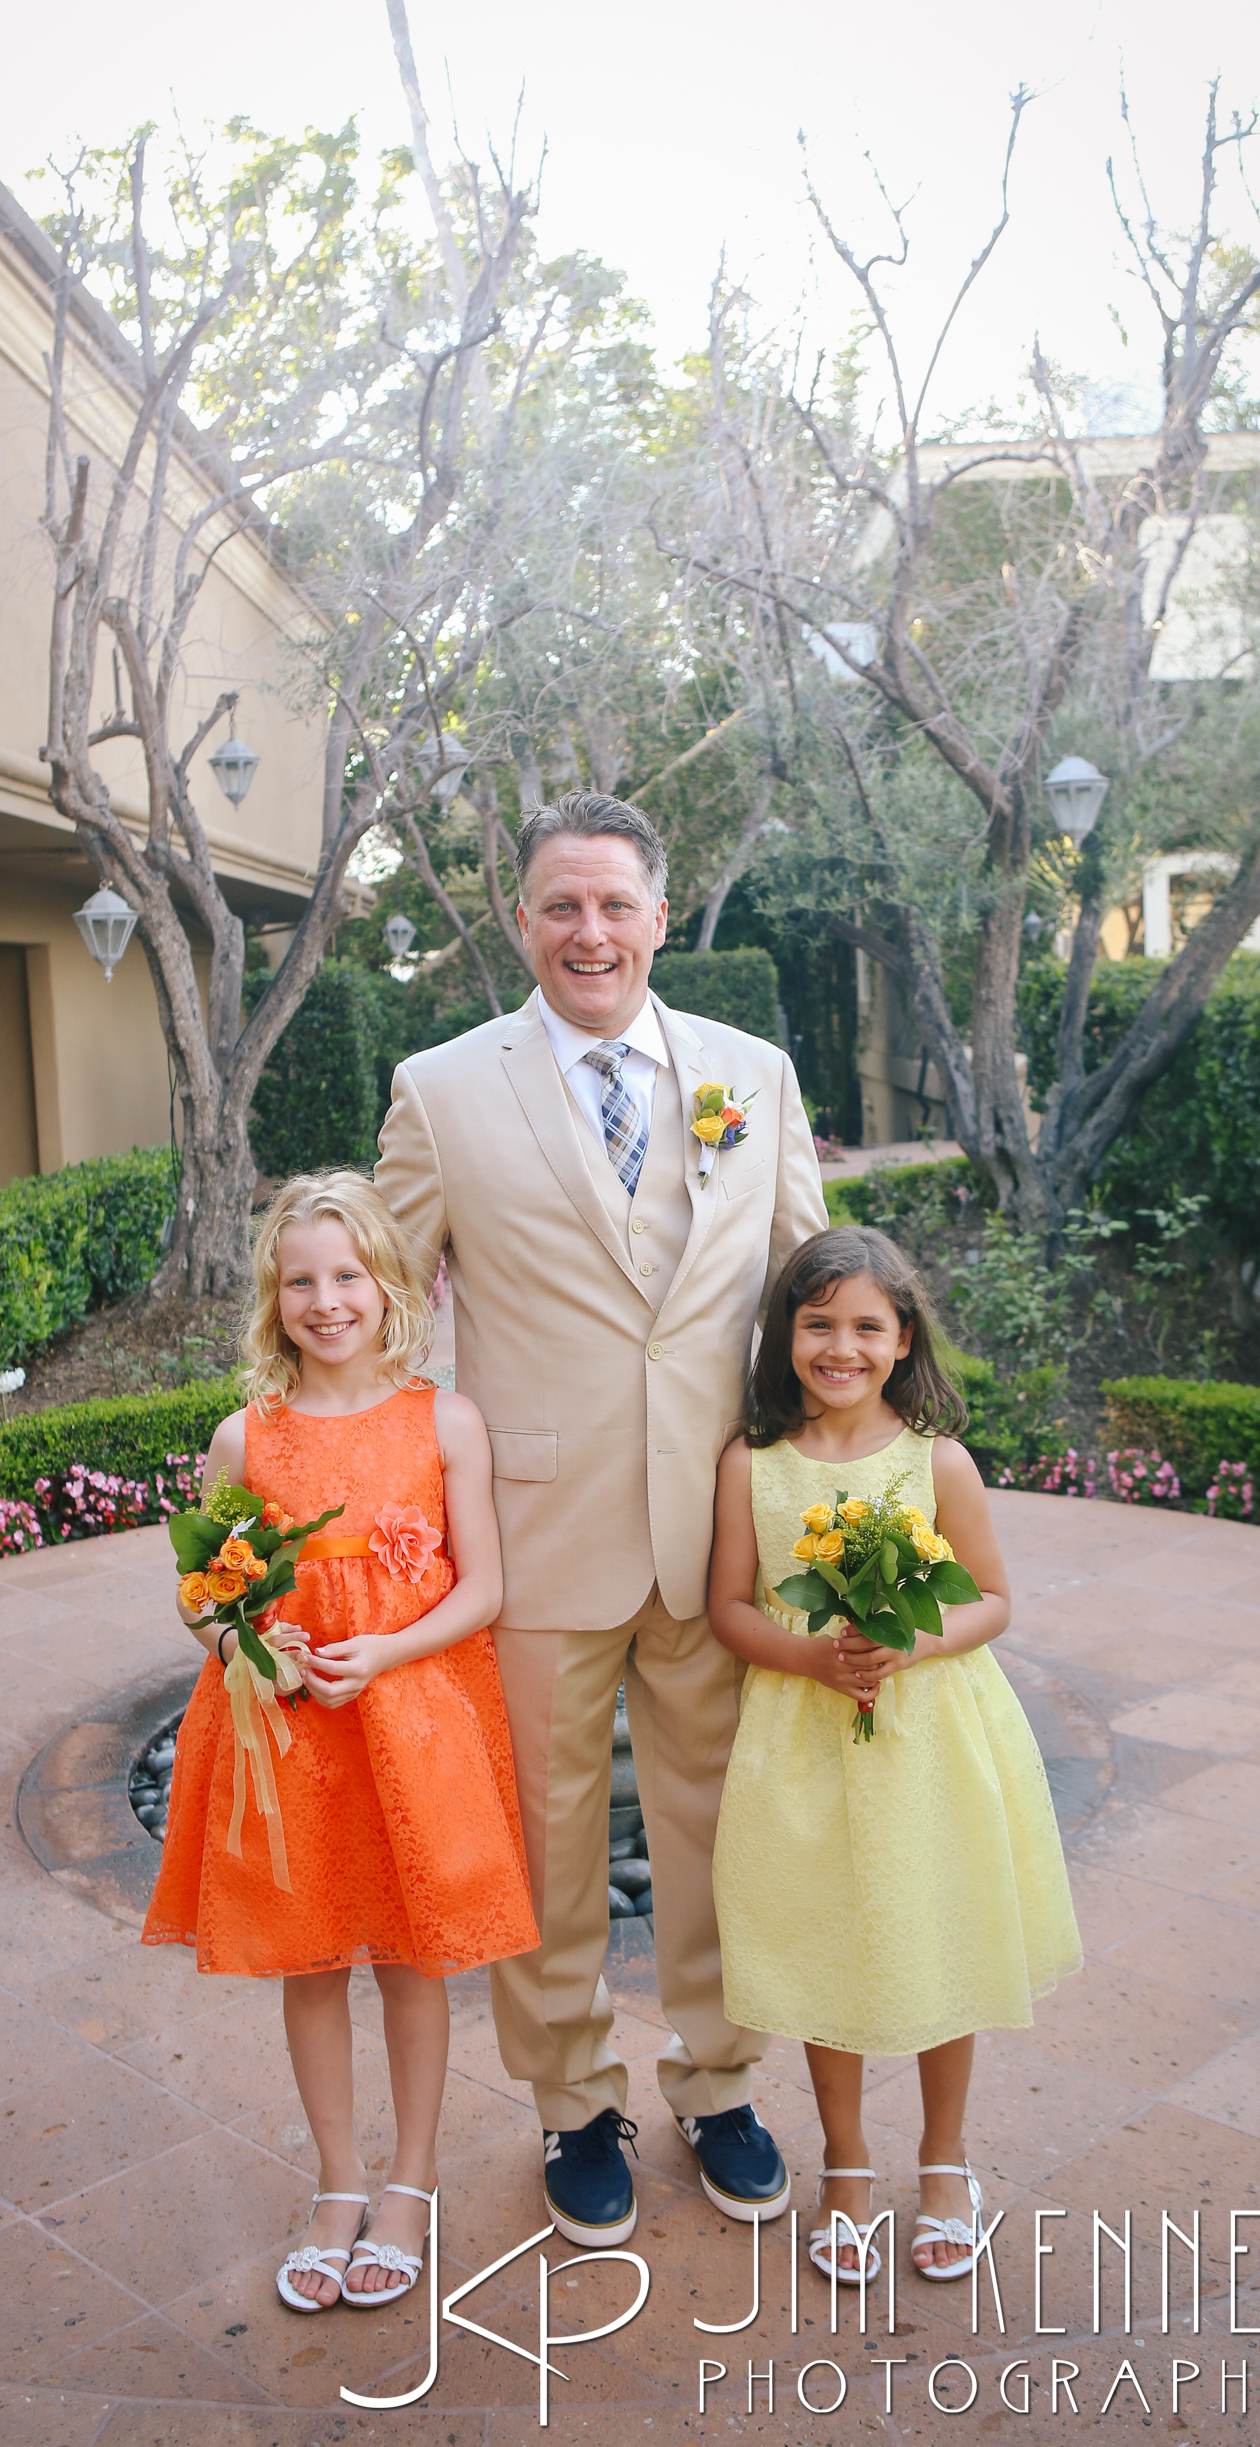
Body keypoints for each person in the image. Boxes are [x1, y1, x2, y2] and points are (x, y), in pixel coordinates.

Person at [375, 790, 827, 2247]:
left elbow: (809, 1288)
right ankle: (570, 2101)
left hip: (718, 1535)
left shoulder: (751, 1074)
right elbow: (383, 1314)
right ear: (520, 919)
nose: (589, 931)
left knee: (720, 1831)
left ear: (657, 915)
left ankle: (717, 2080)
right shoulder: (441, 1088)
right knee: (546, 1841)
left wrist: (842, 1493)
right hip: (531, 1536)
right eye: (560, 905)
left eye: (614, 904)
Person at [143, 1172, 537, 2314]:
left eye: (347, 1276)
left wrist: (388, 1651)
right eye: (300, 1281)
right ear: (273, 1297)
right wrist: (242, 1646)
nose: (326, 1302)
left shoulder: (443, 1422)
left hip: (406, 1723)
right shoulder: (244, 1437)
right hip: (292, 1739)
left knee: (410, 1958)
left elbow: (483, 1588)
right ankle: (337, 2181)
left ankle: (409, 2180)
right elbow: (200, 1594)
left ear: (390, 1284)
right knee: (311, 1962)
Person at [708, 1224, 1081, 2286]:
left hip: (926, 1742)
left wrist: (908, 1643)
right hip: (803, 1741)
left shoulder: (935, 1460)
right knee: (826, 1943)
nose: (841, 1348)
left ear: (903, 1336)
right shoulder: (752, 1463)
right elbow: (727, 1606)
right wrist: (807, 1656)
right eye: (816, 1324)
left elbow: (992, 1599)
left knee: (936, 1939)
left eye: (866, 1326)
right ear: (784, 1335)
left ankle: (944, 2160)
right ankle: (846, 2165)